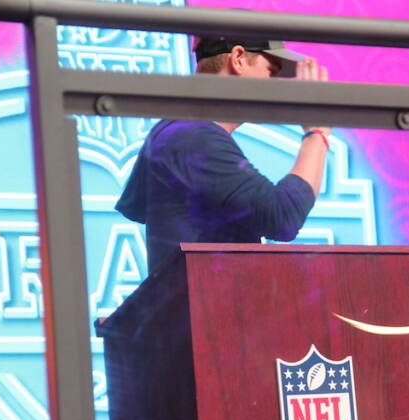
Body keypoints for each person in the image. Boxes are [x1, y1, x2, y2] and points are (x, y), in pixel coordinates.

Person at [116, 35, 331, 270]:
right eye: (271, 71)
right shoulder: (193, 138)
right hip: (204, 304)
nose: (277, 85)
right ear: (238, 59)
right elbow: (283, 216)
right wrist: (316, 132)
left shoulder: (175, 131)